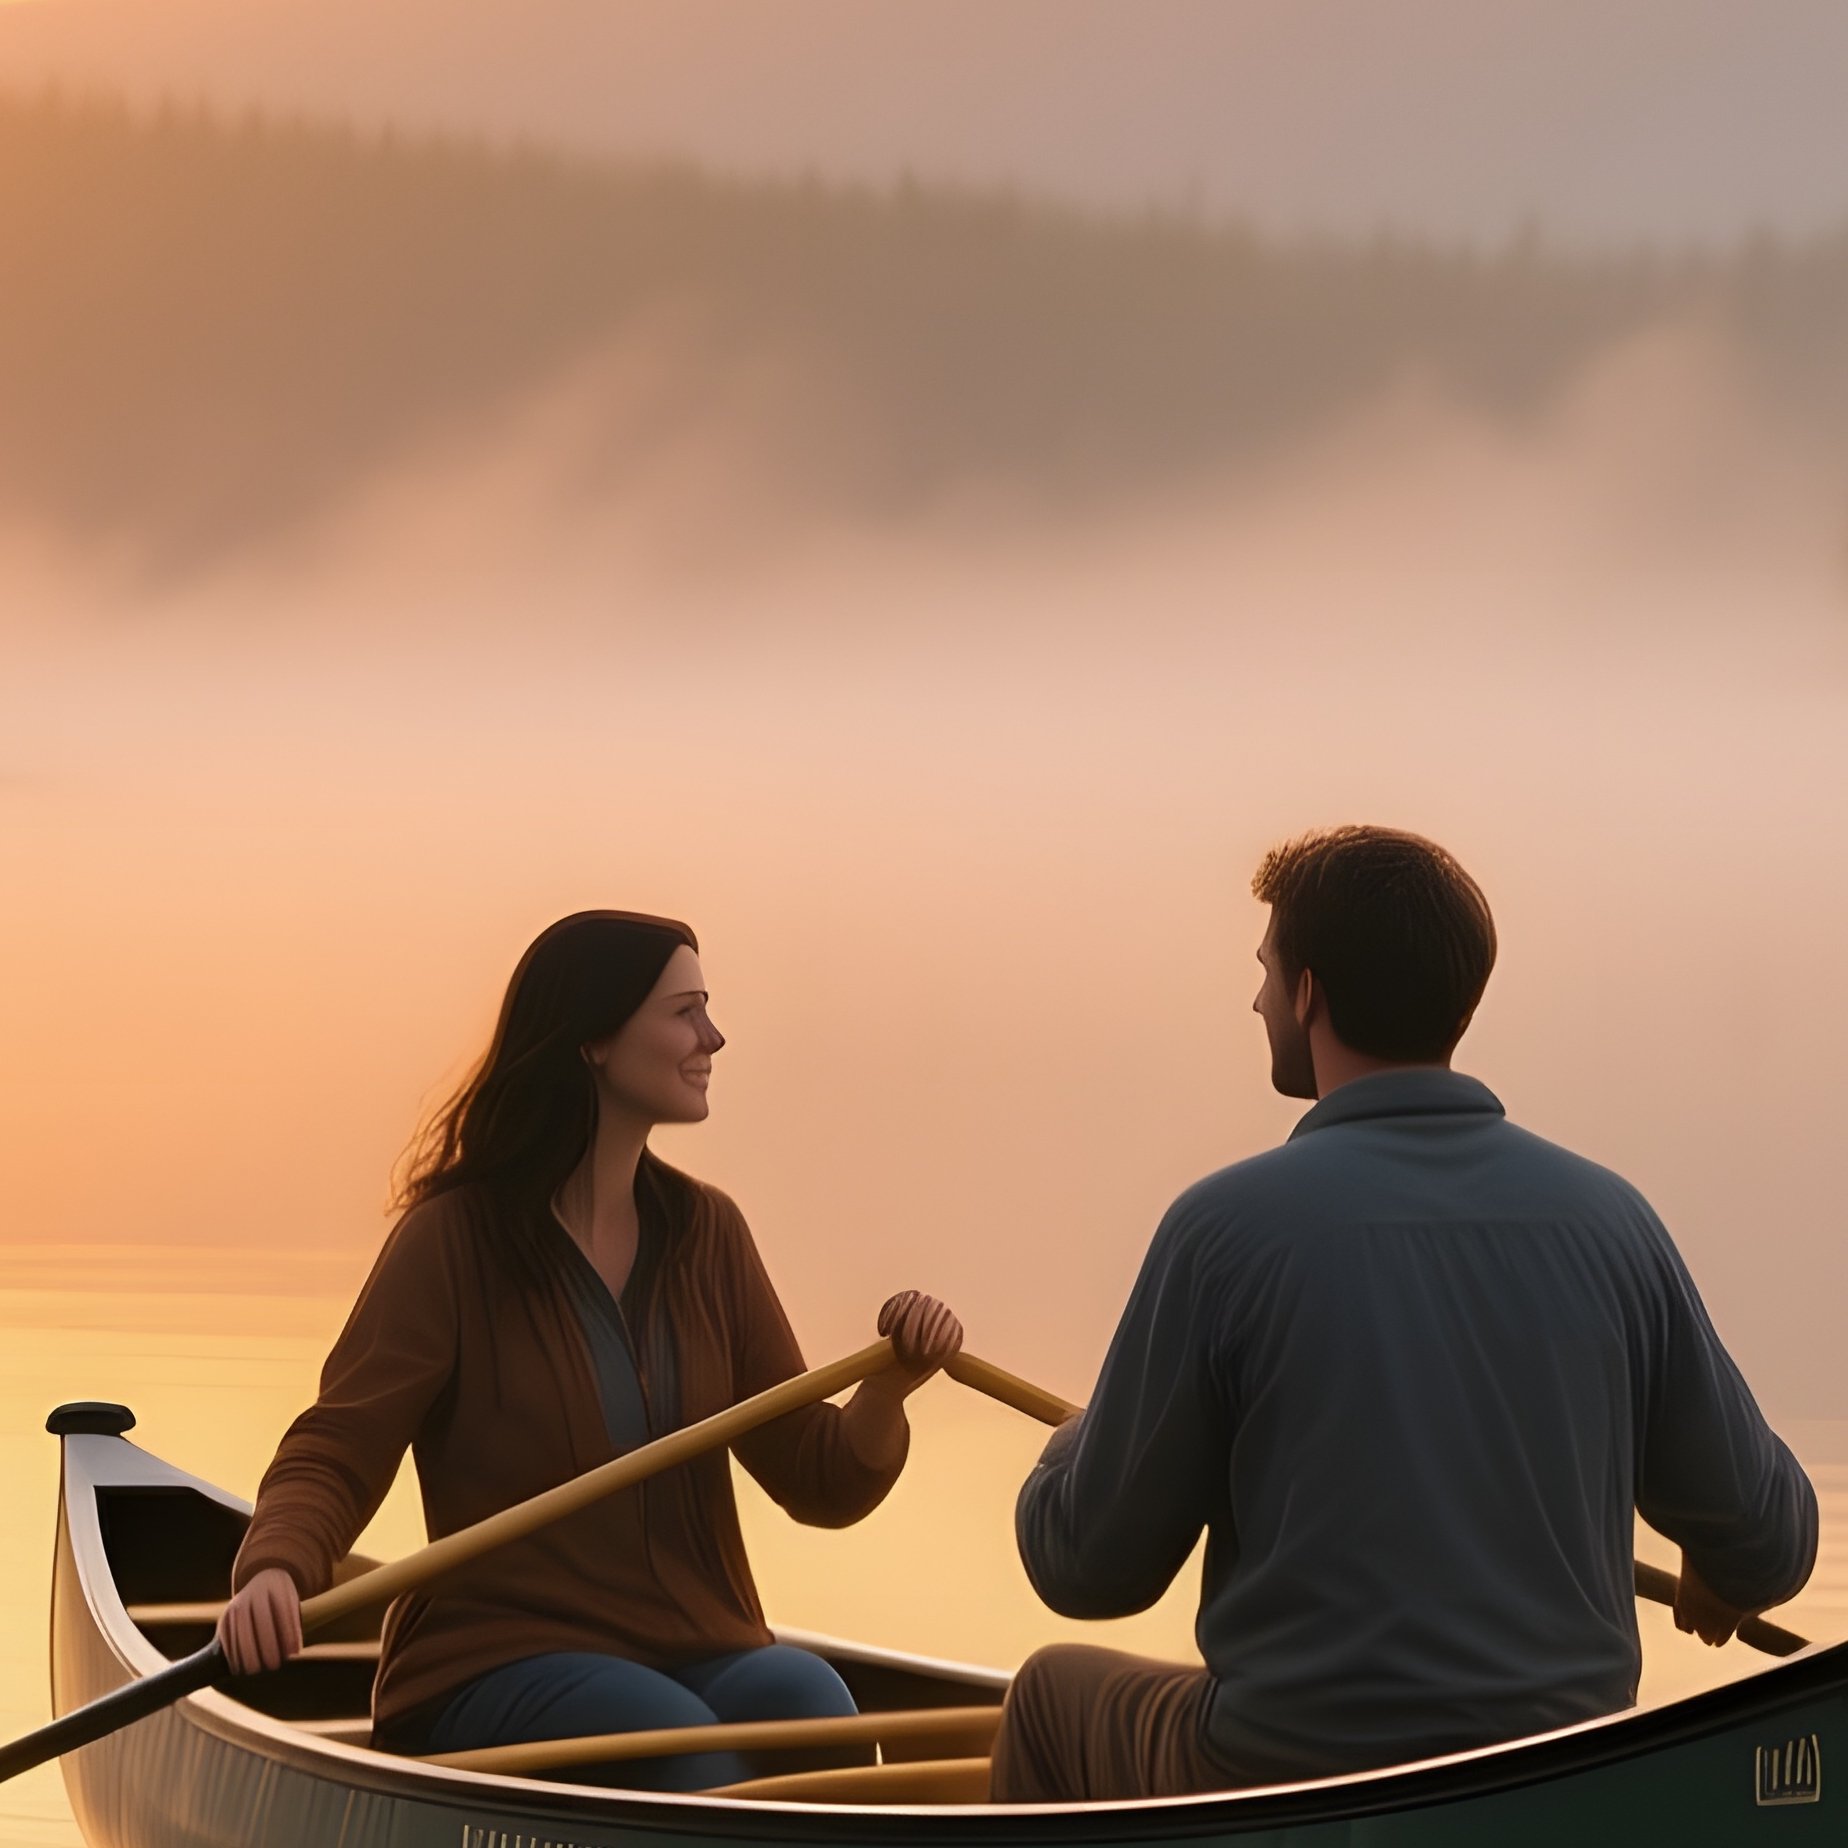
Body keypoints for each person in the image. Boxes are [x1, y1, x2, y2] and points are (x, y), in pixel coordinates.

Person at [990, 826, 1816, 1804]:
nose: (1256, 1000)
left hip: (1288, 1771)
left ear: (1309, 993)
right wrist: (1719, 1552)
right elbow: (1777, 1541)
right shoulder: (1612, 1225)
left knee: (1046, 1695)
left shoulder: (1222, 1233)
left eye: (1265, 971)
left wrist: (1071, 1453)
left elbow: (1087, 1568)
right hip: (1566, 1777)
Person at [217, 910, 962, 1790]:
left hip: (700, 1644)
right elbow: (338, 1446)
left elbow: (819, 1478)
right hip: (489, 1661)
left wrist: (891, 1387)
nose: (713, 1036)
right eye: (685, 1012)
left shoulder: (709, 1233)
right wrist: (272, 1568)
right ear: (596, 1043)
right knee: (675, 1742)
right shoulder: (452, 1239)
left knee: (813, 1705)